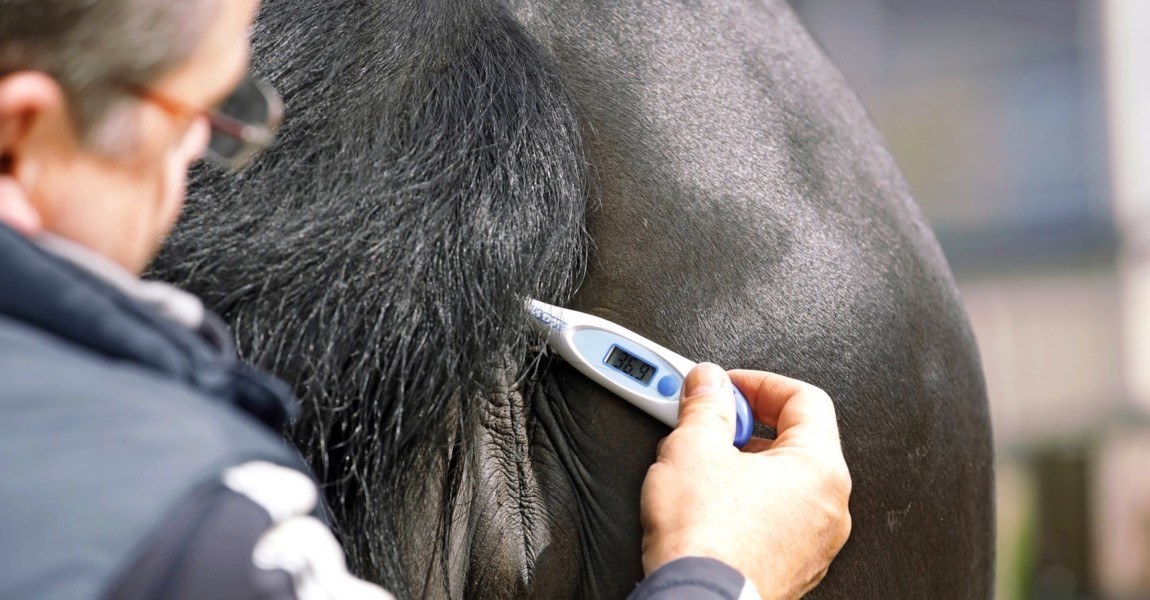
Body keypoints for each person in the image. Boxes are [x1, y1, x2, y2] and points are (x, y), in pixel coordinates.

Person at [0, 0, 852, 598]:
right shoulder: (193, 532)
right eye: (201, 112)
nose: (194, 168)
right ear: (18, 137)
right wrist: (721, 571)